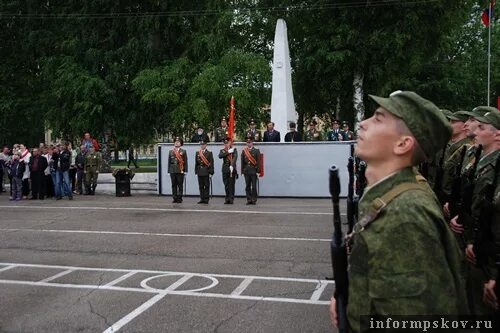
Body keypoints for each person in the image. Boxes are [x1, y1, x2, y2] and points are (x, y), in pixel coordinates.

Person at [330, 91, 468, 332]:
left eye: (378, 118)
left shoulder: (405, 215)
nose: (363, 123)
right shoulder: (388, 196)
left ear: (403, 144)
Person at [241, 136, 260, 205]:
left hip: (253, 171)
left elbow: (258, 162)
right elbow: (242, 162)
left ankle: (254, 199)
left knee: (254, 186)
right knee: (247, 186)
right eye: (247, 142)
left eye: (250, 142)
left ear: (252, 143)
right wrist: (242, 171)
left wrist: (258, 171)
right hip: (246, 171)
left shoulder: (256, 151)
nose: (248, 144)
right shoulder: (244, 151)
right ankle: (249, 199)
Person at [168, 137, 188, 203]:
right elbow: (169, 161)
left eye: (178, 142)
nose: (176, 143)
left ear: (181, 143)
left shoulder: (183, 151)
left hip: (180, 169)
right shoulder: (171, 151)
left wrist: (185, 170)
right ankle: (174, 198)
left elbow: (185, 161)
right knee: (173, 185)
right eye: (175, 142)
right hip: (172, 170)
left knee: (180, 185)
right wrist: (168, 171)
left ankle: (179, 198)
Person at [219, 138, 238, 204]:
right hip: (225, 169)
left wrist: (232, 165)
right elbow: (220, 156)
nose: (226, 144)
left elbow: (235, 158)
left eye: (227, 143)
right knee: (226, 185)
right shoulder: (222, 150)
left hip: (231, 169)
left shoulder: (234, 150)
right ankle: (227, 198)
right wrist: (228, 152)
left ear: (230, 143)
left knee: (231, 185)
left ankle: (231, 198)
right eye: (225, 143)